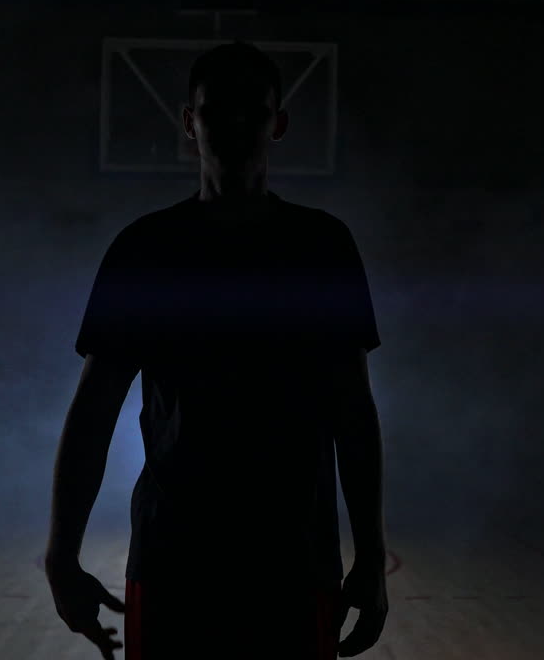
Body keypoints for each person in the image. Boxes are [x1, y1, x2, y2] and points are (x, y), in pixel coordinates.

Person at [44, 40, 388, 659]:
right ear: (189, 121)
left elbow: (353, 413)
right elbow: (94, 411)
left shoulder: (322, 246)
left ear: (277, 123)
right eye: (216, 110)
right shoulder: (145, 249)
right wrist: (61, 555)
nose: (235, 124)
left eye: (253, 110)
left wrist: (370, 554)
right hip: (175, 559)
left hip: (294, 559)